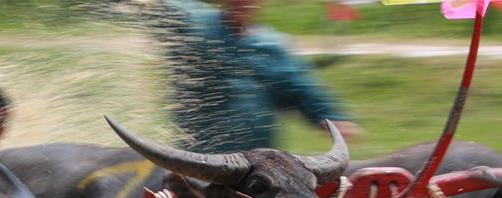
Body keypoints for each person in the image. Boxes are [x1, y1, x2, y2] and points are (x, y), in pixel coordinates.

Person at [145, 0, 363, 153]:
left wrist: (330, 118)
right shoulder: (193, 26)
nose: (243, 2)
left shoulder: (272, 47)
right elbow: (152, 6)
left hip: (255, 170)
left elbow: (301, 90)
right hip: (199, 161)